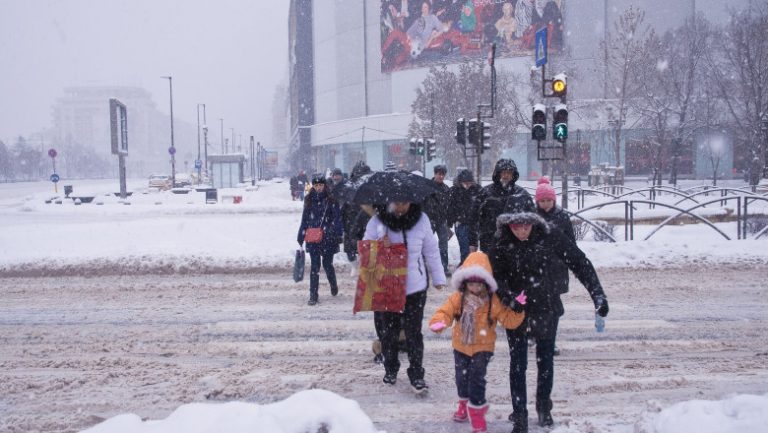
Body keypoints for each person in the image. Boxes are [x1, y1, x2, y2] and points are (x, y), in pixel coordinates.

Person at [489, 205, 609, 433]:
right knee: (518, 364)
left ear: (534, 222)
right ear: (508, 225)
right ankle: (520, 414)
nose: (522, 231)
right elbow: (495, 276)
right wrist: (507, 296)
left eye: (526, 225)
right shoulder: (502, 242)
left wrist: (598, 295)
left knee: (545, 360)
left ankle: (544, 407)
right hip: (517, 311)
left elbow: (579, 262)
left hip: (546, 307)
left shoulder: (550, 236)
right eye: (516, 226)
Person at [429, 251, 524, 433]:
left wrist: (518, 309)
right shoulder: (459, 298)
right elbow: (445, 312)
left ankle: (478, 414)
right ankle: (464, 404)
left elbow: (508, 320)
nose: (474, 288)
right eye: (471, 284)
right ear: (465, 283)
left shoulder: (493, 301)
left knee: (476, 380)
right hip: (460, 345)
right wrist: (438, 322)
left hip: (483, 347)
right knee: (461, 379)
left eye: (478, 284)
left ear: (485, 283)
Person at [363, 199, 447, 394]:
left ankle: (417, 373)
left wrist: (438, 277)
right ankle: (391, 368)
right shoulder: (378, 222)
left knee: (414, 333)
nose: (400, 207)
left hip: (415, 287)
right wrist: (379, 246)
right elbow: (366, 254)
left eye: (405, 203)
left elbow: (431, 251)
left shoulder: (422, 220)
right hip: (389, 286)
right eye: (396, 203)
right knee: (389, 333)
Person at [535, 176, 574, 357]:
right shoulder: (533, 218)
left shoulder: (562, 217)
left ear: (554, 200)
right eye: (542, 201)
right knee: (538, 306)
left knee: (554, 309)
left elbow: (570, 243)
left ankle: (550, 340)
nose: (545, 204)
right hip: (537, 271)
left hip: (557, 270)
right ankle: (538, 336)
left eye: (548, 200)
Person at [296, 174, 343, 306]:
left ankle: (333, 284)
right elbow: (304, 219)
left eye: (320, 185)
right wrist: (301, 235)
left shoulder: (331, 200)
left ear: (324, 185)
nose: (318, 188)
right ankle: (313, 295)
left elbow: (337, 218)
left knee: (328, 265)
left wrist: (338, 232)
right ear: (313, 186)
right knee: (315, 267)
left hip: (328, 237)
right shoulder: (309, 199)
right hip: (313, 236)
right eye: (316, 185)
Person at [469, 159, 533, 253]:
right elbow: (474, 218)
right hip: (489, 242)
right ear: (498, 173)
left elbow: (532, 219)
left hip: (515, 242)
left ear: (513, 174)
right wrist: (473, 243)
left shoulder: (522, 194)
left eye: (509, 172)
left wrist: (530, 240)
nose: (506, 175)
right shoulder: (485, 193)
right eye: (503, 172)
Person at [447, 168, 481, 266]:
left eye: (469, 182)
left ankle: (469, 263)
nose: (467, 185)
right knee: (464, 247)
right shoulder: (454, 191)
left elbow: (482, 205)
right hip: (460, 223)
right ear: (460, 181)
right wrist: (450, 220)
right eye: (465, 183)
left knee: (473, 246)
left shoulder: (477, 190)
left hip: (474, 223)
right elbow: (450, 207)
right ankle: (466, 264)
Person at [423, 164, 452, 276]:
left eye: (442, 174)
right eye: (438, 174)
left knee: (443, 245)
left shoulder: (446, 189)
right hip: (429, 220)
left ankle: (444, 267)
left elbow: (449, 206)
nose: (440, 176)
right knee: (426, 244)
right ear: (435, 174)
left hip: (441, 221)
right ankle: (423, 265)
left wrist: (448, 221)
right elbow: (421, 203)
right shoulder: (427, 187)